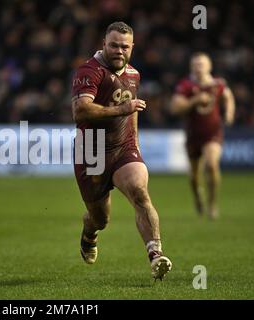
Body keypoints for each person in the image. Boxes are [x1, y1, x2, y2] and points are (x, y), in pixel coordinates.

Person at [71, 21, 172, 280]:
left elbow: (132, 108)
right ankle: (89, 233)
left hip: (123, 147)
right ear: (103, 44)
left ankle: (156, 255)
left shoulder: (134, 74)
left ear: (132, 47)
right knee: (100, 219)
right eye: (114, 45)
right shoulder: (89, 71)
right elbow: (80, 111)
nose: (119, 50)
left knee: (140, 192)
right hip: (91, 152)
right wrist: (121, 110)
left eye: (124, 46)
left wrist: (134, 142)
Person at [170, 52, 235, 220]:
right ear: (192, 67)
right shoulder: (185, 86)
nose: (199, 67)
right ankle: (198, 196)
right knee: (194, 176)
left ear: (209, 67)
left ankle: (212, 205)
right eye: (196, 64)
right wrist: (195, 101)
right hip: (193, 135)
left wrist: (228, 112)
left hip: (213, 133)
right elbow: (175, 108)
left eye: (202, 64)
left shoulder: (217, 84)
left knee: (212, 165)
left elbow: (228, 96)